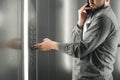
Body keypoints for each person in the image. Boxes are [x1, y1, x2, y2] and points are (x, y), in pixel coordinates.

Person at [33, 0, 120, 80]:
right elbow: (75, 43)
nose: (91, 1)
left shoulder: (104, 19)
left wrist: (52, 45)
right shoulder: (93, 14)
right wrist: (80, 23)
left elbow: (80, 50)